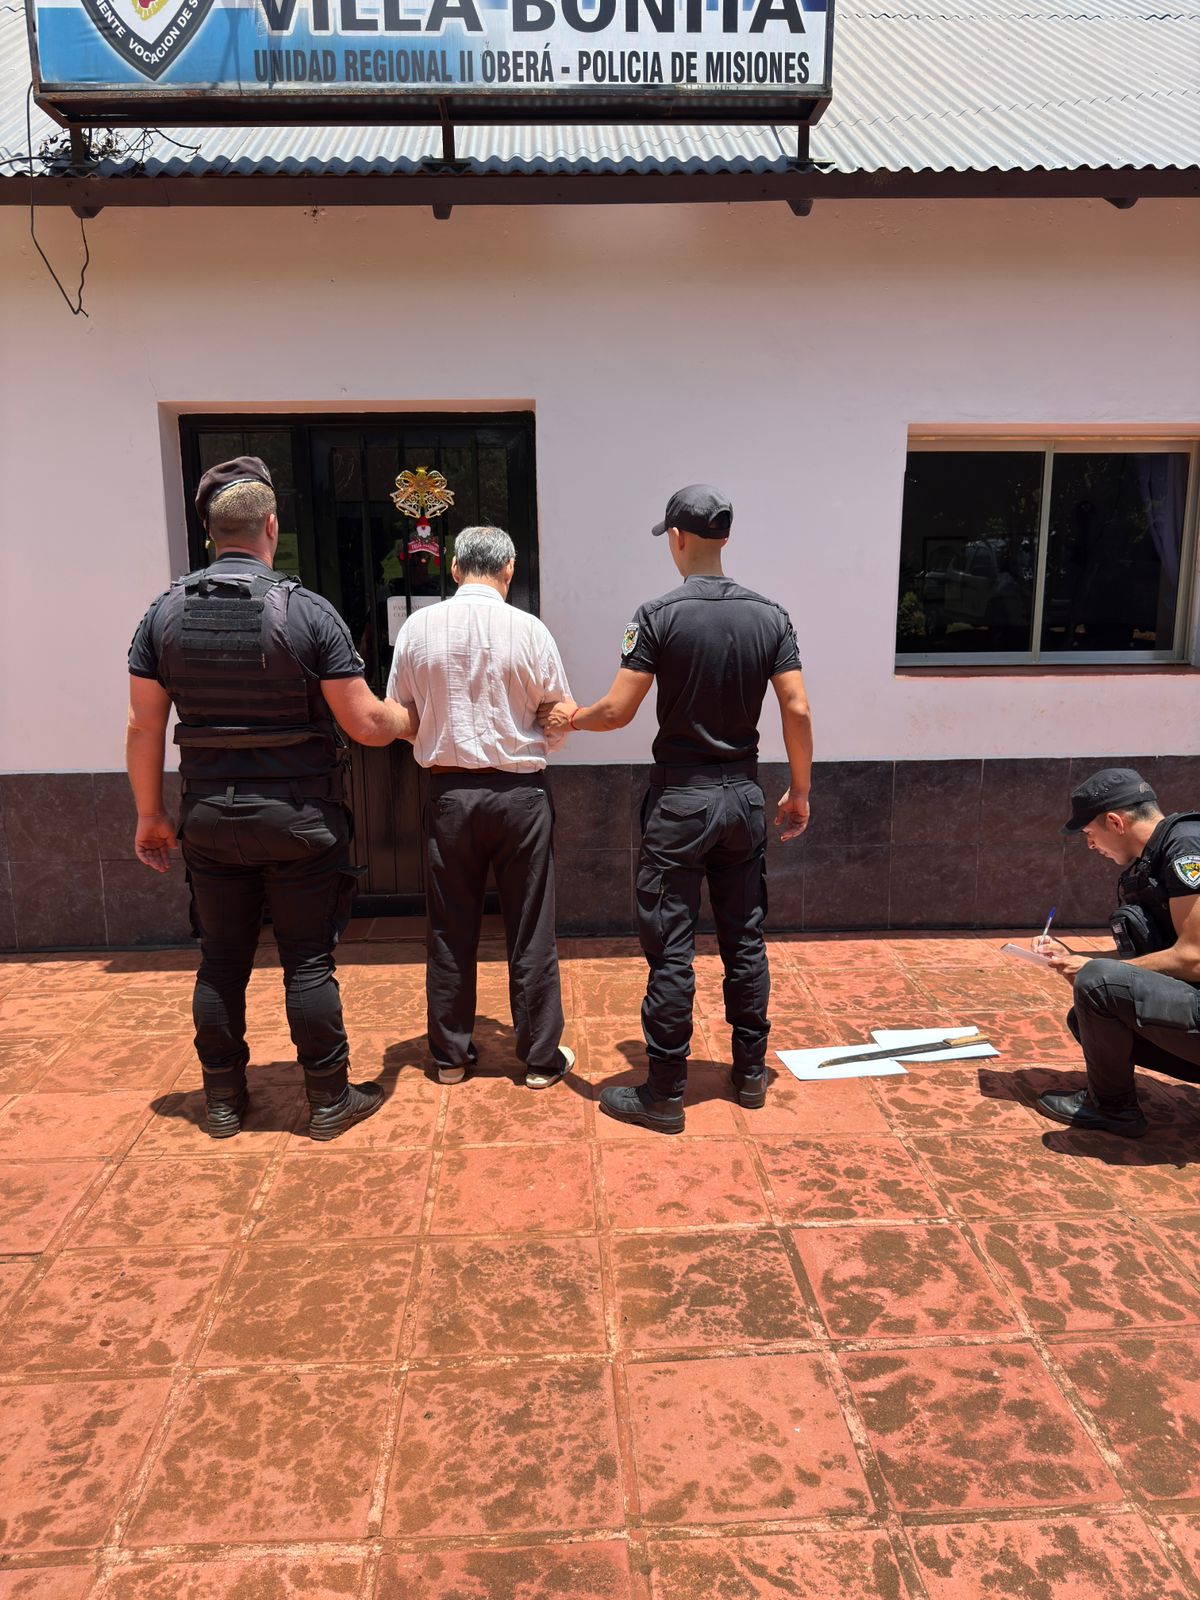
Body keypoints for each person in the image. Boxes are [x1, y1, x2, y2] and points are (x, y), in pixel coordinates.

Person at [127, 456, 416, 1140]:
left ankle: (223, 1101)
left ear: (209, 532)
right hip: (299, 819)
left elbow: (143, 725)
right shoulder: (307, 612)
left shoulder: (163, 614)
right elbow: (366, 725)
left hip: (208, 819)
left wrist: (150, 815)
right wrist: (412, 718)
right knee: (307, 961)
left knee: (221, 961)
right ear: (272, 527)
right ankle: (328, 1100)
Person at [541, 484, 812, 1134]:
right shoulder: (771, 616)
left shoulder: (658, 615)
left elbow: (617, 710)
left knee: (672, 951)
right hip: (743, 798)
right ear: (725, 537)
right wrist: (800, 790)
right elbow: (797, 707)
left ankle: (664, 1093)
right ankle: (750, 1074)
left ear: (678, 537)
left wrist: (570, 718)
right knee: (745, 940)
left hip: (681, 803)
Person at [386, 524, 575, 1090]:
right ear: (509, 568)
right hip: (521, 797)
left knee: (450, 926)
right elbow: (559, 717)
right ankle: (539, 1059)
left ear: (453, 568)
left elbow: (402, 715)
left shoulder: (419, 628)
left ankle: (450, 1056)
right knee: (531, 926)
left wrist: (437, 735)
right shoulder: (530, 630)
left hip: (450, 795)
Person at [1035, 767, 1200, 1138]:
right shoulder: (1159, 854)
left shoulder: (1186, 848)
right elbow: (1166, 956)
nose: (1091, 845)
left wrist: (1096, 970)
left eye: (1089, 834)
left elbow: (1194, 956)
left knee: (1098, 984)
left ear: (1114, 821)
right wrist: (1080, 958)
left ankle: (1111, 1108)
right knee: (1088, 1014)